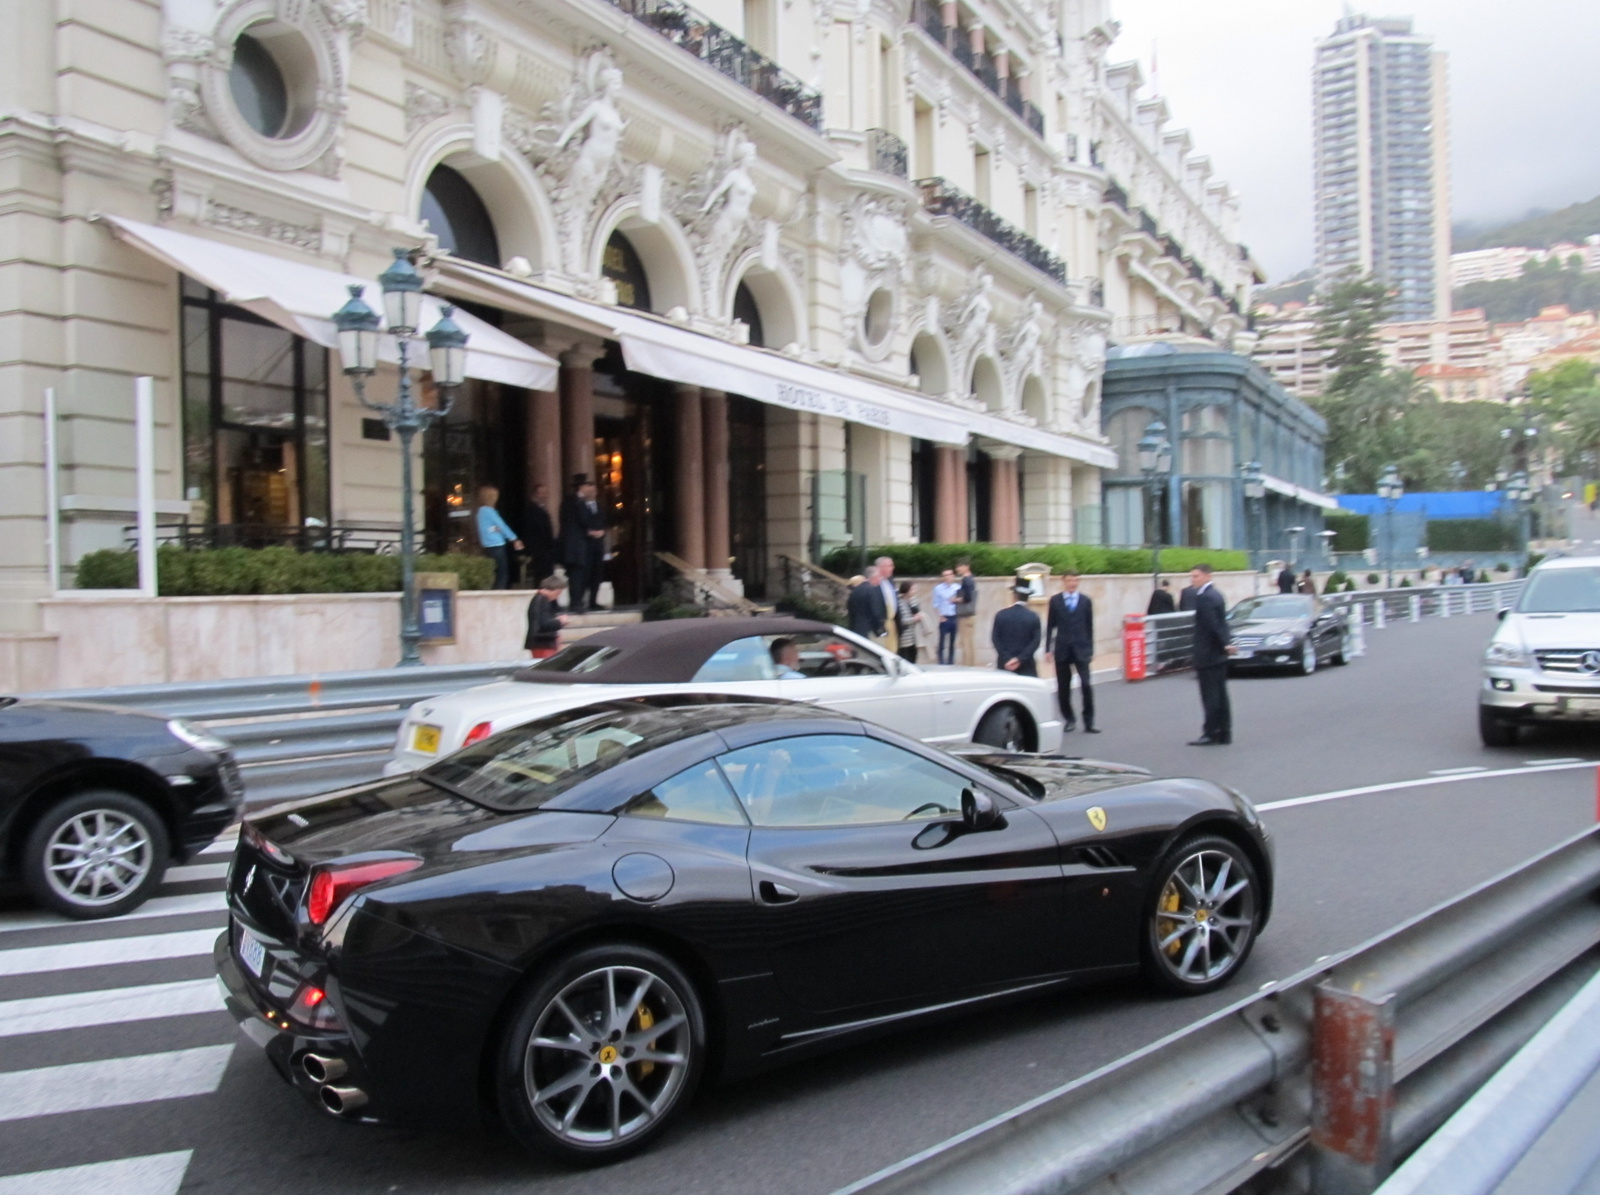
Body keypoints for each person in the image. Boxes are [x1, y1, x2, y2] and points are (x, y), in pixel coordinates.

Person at [1187, 563, 1236, 745]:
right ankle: (1224, 732)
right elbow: (1222, 623)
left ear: (1207, 576)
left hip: (1208, 654)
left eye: (1196, 576)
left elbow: (1213, 624)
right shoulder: (1216, 595)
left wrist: (1226, 643)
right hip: (1218, 654)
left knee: (1211, 695)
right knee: (1221, 694)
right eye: (1192, 576)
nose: (1193, 580)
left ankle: (1211, 732)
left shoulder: (1205, 598)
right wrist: (1227, 643)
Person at [1046, 572, 1097, 733]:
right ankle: (1069, 719)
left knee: (1086, 685)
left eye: (1075, 580)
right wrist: (1048, 649)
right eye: (1069, 580)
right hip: (1062, 649)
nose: (1072, 583)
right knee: (1063, 688)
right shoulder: (1055, 601)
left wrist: (1090, 649)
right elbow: (1050, 626)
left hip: (1081, 649)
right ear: (1063, 581)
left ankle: (1089, 721)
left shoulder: (1085, 601)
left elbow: (1089, 626)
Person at [560, 474, 607, 613]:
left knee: (582, 575)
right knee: (576, 576)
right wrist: (591, 532)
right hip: (575, 546)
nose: (590, 488)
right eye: (588, 485)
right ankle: (575, 603)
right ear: (581, 487)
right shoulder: (574, 502)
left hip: (581, 546)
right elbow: (583, 520)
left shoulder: (576, 501)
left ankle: (579, 602)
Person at [474, 486, 522, 591]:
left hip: (487, 546)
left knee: (493, 573)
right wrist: (514, 539)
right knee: (502, 574)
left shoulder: (480, 512)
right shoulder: (489, 511)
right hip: (497, 545)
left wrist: (494, 529)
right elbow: (501, 526)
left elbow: (488, 529)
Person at [991, 581, 1041, 676]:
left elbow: (995, 639)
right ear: (1028, 598)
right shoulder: (1033, 616)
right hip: (1027, 665)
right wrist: (1019, 659)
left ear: (1014, 596)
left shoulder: (1001, 615)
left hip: (1005, 664)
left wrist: (1007, 658)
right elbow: (1035, 642)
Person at [521, 483, 557, 590]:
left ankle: (550, 599)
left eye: (546, 493)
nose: (545, 496)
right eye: (542, 493)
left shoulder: (542, 508)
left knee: (548, 575)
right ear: (536, 494)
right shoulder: (531, 509)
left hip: (546, 549)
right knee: (542, 576)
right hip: (539, 549)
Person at [524, 575, 570, 658]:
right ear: (550, 590)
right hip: (542, 643)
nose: (557, 596)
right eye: (557, 593)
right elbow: (543, 624)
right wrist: (560, 621)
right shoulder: (542, 600)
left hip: (541, 642)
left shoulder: (540, 599)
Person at [896, 581, 935, 665]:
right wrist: (914, 619)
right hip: (904, 637)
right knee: (905, 658)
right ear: (906, 590)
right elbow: (901, 620)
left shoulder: (914, 600)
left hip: (914, 636)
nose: (914, 591)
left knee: (913, 657)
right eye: (912, 589)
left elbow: (917, 611)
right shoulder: (899, 603)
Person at [847, 565, 887, 639]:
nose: (880, 580)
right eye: (879, 577)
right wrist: (881, 630)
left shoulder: (855, 590)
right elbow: (876, 612)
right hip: (868, 630)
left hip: (854, 628)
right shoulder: (872, 591)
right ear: (874, 577)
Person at [932, 568, 961, 664]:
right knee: (942, 641)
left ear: (953, 576)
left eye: (949, 574)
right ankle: (941, 661)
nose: (948, 577)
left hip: (954, 616)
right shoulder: (938, 588)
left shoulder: (957, 587)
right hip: (944, 617)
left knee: (953, 641)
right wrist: (940, 616)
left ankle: (951, 661)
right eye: (945, 575)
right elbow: (936, 603)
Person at [955, 559, 979, 665]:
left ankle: (968, 666)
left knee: (966, 643)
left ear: (966, 567)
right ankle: (972, 664)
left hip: (965, 615)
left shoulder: (966, 580)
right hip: (971, 615)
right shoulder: (971, 579)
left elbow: (967, 598)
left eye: (959, 566)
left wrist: (956, 600)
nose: (957, 569)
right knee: (970, 642)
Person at [875, 557, 900, 654]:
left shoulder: (890, 582)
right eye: (890, 565)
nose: (893, 568)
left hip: (892, 624)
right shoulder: (874, 583)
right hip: (880, 625)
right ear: (881, 567)